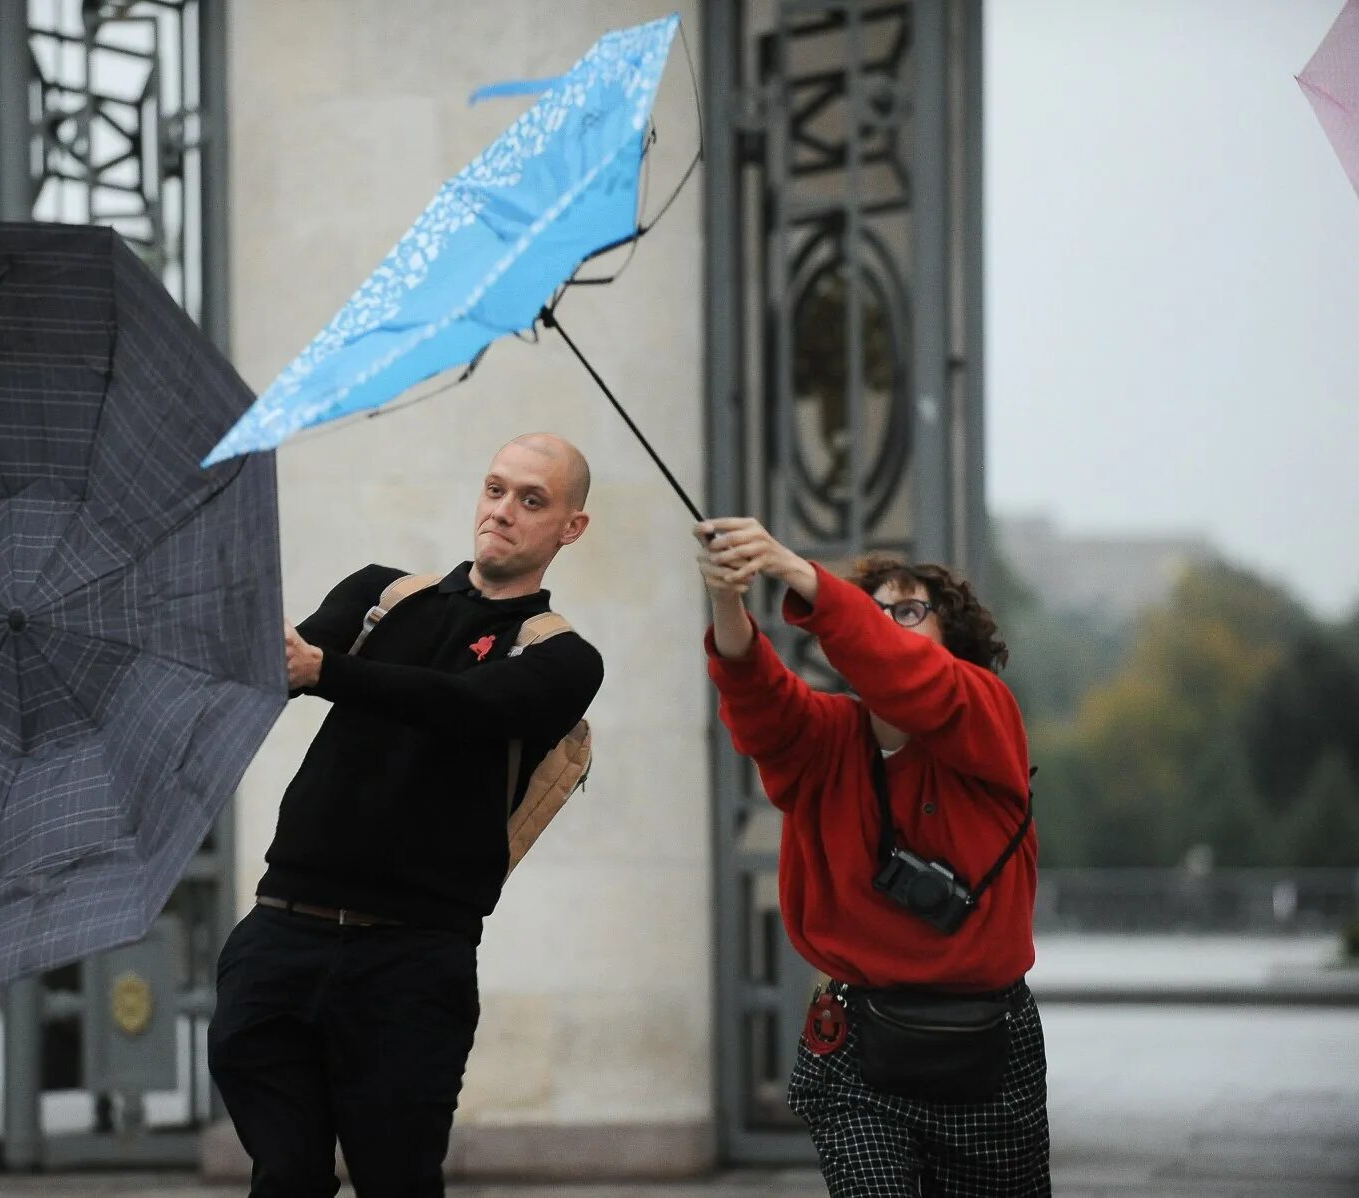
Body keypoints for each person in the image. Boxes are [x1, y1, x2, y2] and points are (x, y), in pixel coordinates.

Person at [208, 433, 604, 1197]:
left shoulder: (561, 656)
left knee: (398, 1182)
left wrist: (332, 672)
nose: (504, 512)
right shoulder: (381, 595)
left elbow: (470, 708)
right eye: (496, 490)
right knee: (284, 1177)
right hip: (282, 936)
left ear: (570, 528)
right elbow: (275, 667)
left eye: (532, 500)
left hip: (412, 962)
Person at [696, 515, 1049, 1197]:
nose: (885, 622)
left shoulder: (986, 711)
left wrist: (795, 570)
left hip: (987, 1042)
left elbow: (913, 678)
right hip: (857, 1041)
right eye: (874, 610)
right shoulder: (828, 738)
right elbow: (755, 695)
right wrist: (726, 596)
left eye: (909, 610)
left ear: (954, 639)